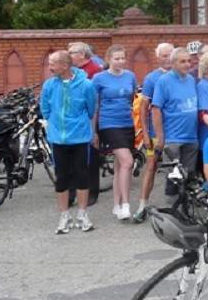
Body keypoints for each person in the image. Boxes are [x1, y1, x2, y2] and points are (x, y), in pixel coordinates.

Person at [40, 50, 97, 234]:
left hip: (79, 137)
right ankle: (64, 215)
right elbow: (45, 108)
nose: (49, 67)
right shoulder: (49, 85)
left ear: (64, 66)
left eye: (52, 63)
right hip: (58, 139)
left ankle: (82, 214)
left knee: (82, 175)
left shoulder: (87, 84)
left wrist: (81, 126)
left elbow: (90, 108)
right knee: (61, 177)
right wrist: (53, 125)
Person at [93, 45, 138, 220]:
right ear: (108, 59)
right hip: (108, 123)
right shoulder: (98, 78)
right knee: (128, 162)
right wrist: (94, 132)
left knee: (121, 166)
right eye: (116, 58)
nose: (120, 61)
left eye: (122, 58)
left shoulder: (130, 76)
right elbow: (95, 107)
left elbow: (131, 98)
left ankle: (116, 205)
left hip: (127, 123)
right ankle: (126, 204)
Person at [132, 42, 174, 223]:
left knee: (178, 169)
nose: (167, 59)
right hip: (156, 132)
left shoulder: (184, 76)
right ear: (157, 58)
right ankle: (142, 205)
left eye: (170, 55)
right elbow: (143, 109)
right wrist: (146, 135)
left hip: (177, 132)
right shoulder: (151, 78)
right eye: (164, 55)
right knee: (151, 165)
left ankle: (178, 205)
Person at [151, 47, 199, 201]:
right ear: (173, 63)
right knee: (173, 176)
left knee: (189, 174)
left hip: (191, 137)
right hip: (173, 137)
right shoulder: (164, 81)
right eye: (182, 61)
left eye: (188, 61)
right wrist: (160, 135)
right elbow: (156, 109)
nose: (187, 64)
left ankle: (186, 207)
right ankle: (172, 209)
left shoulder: (191, 79)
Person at [67, 41, 102, 204]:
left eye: (71, 52)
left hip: (89, 118)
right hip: (73, 119)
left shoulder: (94, 71)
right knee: (73, 158)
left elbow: (94, 101)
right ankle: (73, 192)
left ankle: (92, 192)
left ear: (82, 55)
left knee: (91, 157)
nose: (68, 55)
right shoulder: (71, 71)